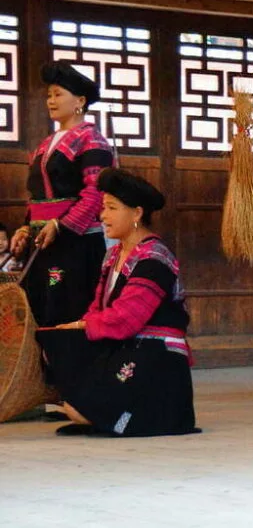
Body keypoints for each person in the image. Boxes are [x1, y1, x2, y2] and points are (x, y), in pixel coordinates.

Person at [34, 169, 198, 437]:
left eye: (111, 208)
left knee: (82, 410)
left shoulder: (154, 257)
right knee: (62, 350)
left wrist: (78, 325)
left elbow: (125, 318)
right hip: (126, 347)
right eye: (102, 208)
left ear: (136, 213)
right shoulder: (112, 256)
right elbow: (97, 310)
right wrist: (73, 330)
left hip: (157, 355)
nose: (102, 216)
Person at [10, 61, 114, 327]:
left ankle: (72, 367)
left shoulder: (93, 140)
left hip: (75, 244)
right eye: (48, 95)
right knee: (41, 308)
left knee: (67, 310)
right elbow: (36, 196)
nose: (50, 101)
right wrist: (25, 228)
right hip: (42, 241)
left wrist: (61, 225)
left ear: (79, 100)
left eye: (58, 94)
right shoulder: (46, 144)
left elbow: (95, 191)